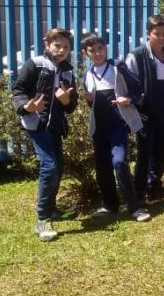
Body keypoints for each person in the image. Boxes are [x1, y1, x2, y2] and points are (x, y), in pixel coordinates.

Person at [11, 28, 78, 241]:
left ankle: (52, 209)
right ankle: (42, 219)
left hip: (56, 127)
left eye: (66, 47)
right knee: (49, 166)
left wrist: (67, 101)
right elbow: (18, 90)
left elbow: (71, 106)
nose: (61, 50)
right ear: (47, 44)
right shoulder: (36, 64)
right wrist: (27, 107)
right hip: (37, 125)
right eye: (57, 45)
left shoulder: (68, 72)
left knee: (58, 166)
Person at [81, 34, 150, 223]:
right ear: (86, 53)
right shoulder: (87, 75)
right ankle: (110, 205)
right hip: (99, 128)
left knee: (119, 162)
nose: (97, 53)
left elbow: (137, 88)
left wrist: (128, 99)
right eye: (92, 51)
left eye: (100, 49)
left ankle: (134, 207)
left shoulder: (117, 66)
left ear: (106, 48)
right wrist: (89, 101)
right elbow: (92, 104)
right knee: (102, 167)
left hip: (118, 126)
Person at [126, 15, 164, 202]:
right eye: (157, 34)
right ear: (149, 34)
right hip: (145, 113)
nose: (162, 38)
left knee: (163, 149)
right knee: (145, 151)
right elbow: (129, 83)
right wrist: (137, 104)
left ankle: (154, 185)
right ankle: (139, 190)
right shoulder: (137, 55)